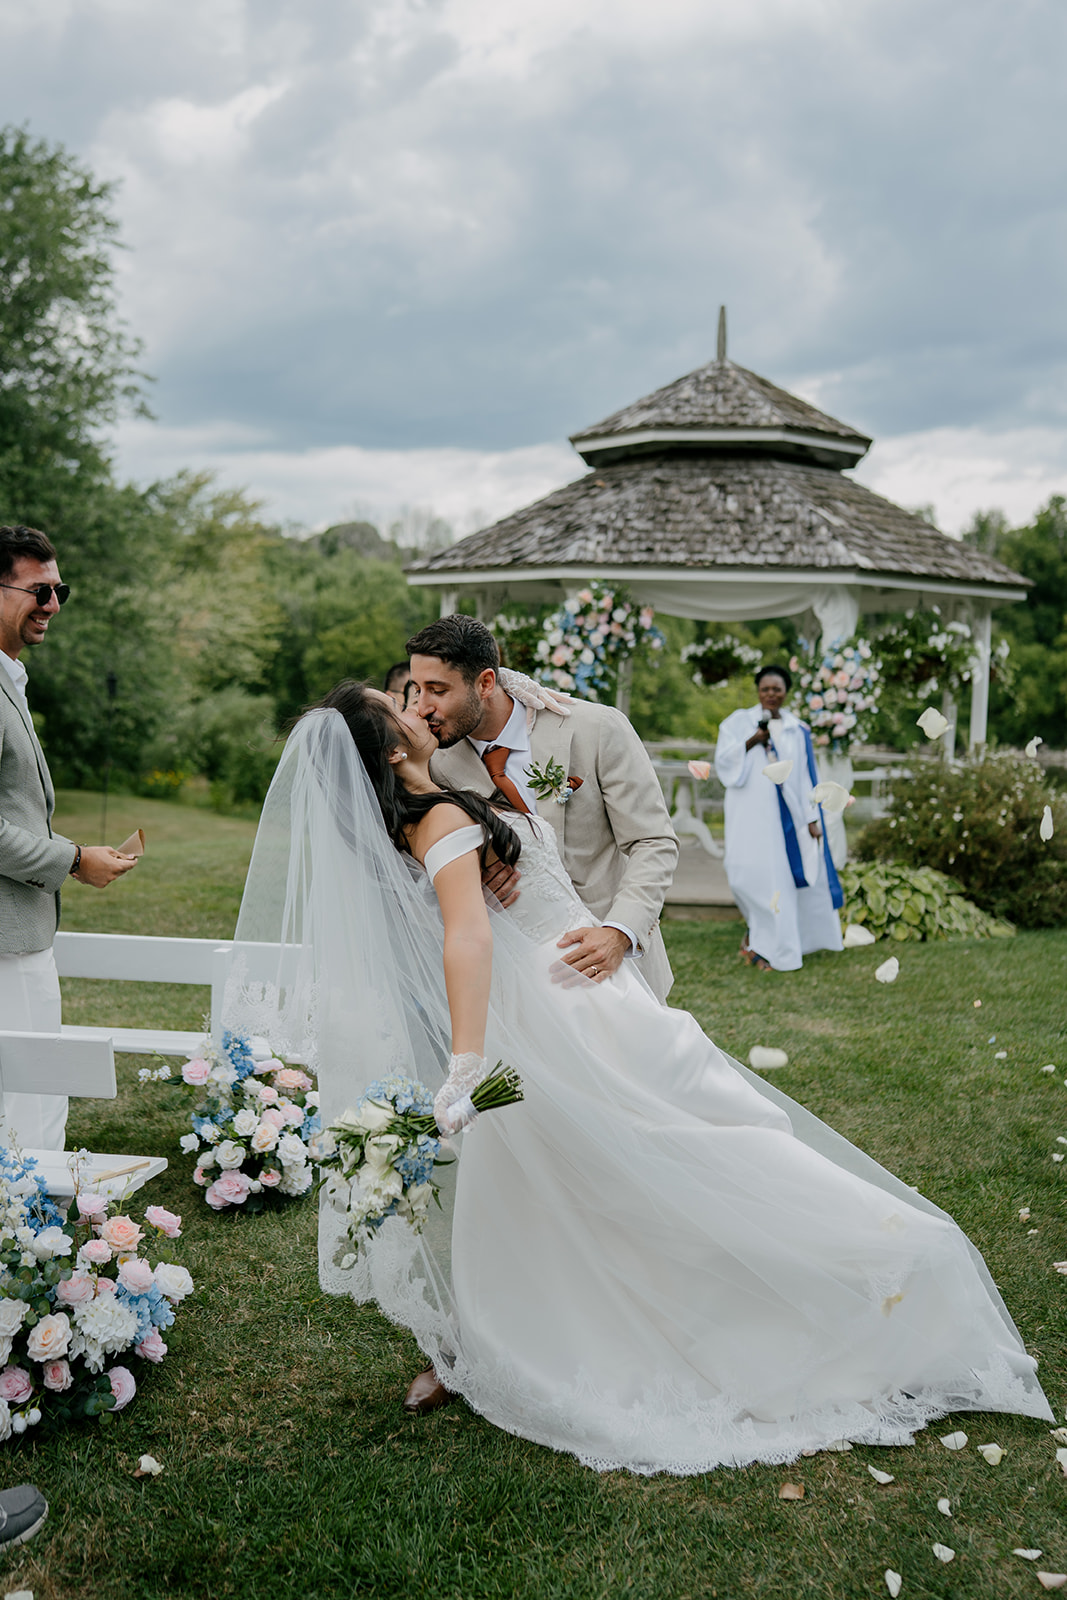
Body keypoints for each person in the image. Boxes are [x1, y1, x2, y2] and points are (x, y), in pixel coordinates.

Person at [225, 682, 1053, 1476]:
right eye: (396, 703)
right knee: (685, 1153)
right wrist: (466, 1063)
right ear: (387, 747)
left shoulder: (442, 797)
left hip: (584, 992)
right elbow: (465, 938)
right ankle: (858, 1276)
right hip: (568, 1010)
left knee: (643, 1158)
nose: (412, 702)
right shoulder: (437, 813)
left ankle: (693, 1301)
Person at [406, 615, 679, 1003]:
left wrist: (619, 932)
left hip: (618, 959)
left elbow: (653, 841)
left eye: (437, 690)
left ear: (486, 683)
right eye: (417, 689)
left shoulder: (596, 728)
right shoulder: (436, 766)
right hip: (518, 978)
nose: (422, 707)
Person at [0, 524, 138, 1147]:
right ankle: (30, 1203)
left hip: (21, 929)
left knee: (34, 1094)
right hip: (8, 941)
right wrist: (75, 860)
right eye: (40, 591)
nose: (53, 605)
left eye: (60, 591)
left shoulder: (10, 678)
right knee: (29, 1098)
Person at [715, 665, 844, 972]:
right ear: (758, 691)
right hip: (748, 816)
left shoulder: (796, 729)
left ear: (786, 692)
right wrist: (753, 740)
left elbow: (805, 776)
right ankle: (755, 934)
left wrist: (811, 818)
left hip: (785, 820)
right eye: (765, 689)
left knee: (777, 881)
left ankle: (771, 947)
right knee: (744, 875)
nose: (771, 694)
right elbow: (723, 763)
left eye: (777, 689)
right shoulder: (737, 722)